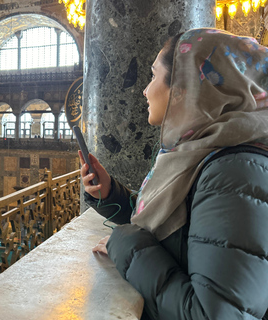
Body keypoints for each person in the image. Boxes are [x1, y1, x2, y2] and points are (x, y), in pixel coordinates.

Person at [81, 28, 268, 320]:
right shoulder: (204, 151)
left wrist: (123, 241)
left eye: (154, 76)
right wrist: (110, 195)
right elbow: (183, 231)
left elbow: (213, 314)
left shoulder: (234, 171)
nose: (145, 90)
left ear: (183, 89)